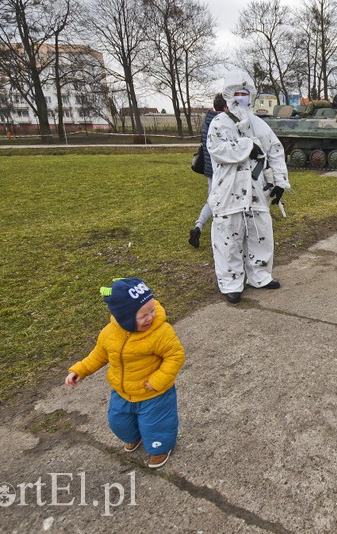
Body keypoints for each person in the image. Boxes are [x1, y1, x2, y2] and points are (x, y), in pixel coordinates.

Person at [65, 278, 185, 469]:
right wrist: (80, 370)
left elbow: (175, 355)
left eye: (152, 310)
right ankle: (133, 436)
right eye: (143, 315)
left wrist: (159, 380)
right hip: (122, 391)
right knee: (118, 422)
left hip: (154, 393)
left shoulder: (160, 332)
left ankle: (159, 448)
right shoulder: (109, 333)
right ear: (124, 317)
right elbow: (99, 354)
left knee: (156, 425)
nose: (150, 317)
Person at [206, 80, 291, 304]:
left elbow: (275, 150)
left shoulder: (259, 124)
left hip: (256, 191)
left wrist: (280, 182)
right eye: (236, 93)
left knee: (260, 233)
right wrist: (247, 146)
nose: (240, 97)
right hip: (229, 191)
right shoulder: (219, 123)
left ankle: (260, 275)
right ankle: (231, 282)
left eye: (244, 93)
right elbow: (218, 150)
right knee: (228, 237)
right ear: (228, 96)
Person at [189, 93, 228, 248]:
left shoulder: (207, 121)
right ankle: (214, 231)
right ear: (225, 107)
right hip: (221, 169)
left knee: (211, 199)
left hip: (209, 169)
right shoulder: (222, 123)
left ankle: (198, 226)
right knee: (220, 201)